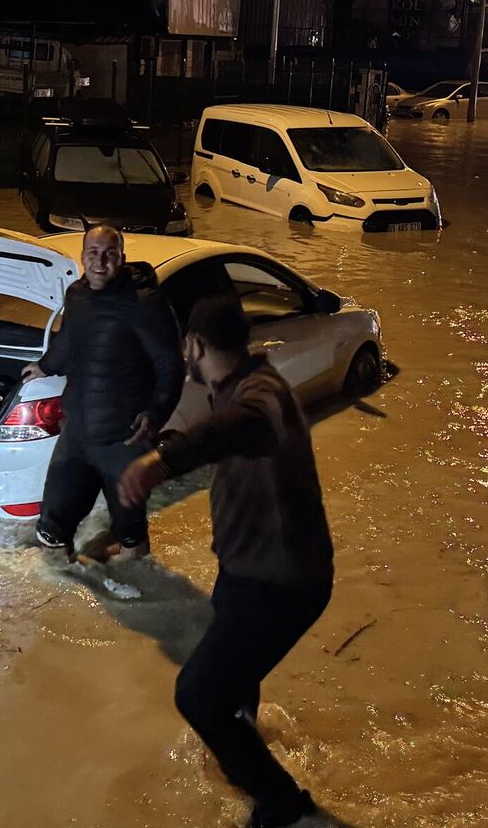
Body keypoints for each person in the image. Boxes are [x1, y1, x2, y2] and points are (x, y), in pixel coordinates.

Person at [119, 294, 335, 828]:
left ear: (194, 345)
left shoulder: (261, 395)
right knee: (229, 685)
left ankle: (282, 802)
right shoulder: (238, 386)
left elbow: (246, 424)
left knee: (197, 696)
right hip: (246, 573)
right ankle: (244, 753)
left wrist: (162, 461)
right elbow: (226, 434)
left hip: (281, 583)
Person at [26, 225, 184, 556]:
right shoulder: (77, 295)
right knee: (51, 526)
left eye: (109, 254)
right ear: (83, 257)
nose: (100, 262)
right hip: (77, 435)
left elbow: (170, 365)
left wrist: (156, 413)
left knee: (130, 532)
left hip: (123, 441)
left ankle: (141, 590)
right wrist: (45, 366)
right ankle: (64, 596)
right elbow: (70, 340)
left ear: (122, 259)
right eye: (93, 254)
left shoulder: (145, 304)